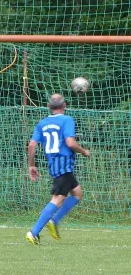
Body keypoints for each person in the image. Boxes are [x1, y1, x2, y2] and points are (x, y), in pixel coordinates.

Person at [26, 94, 90, 245]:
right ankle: (34, 232)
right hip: (64, 164)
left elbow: (32, 145)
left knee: (77, 193)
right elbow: (70, 143)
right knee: (57, 199)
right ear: (65, 105)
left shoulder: (42, 123)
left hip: (54, 164)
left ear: (49, 106)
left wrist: (31, 165)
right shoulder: (67, 120)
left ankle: (54, 221)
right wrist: (84, 151)